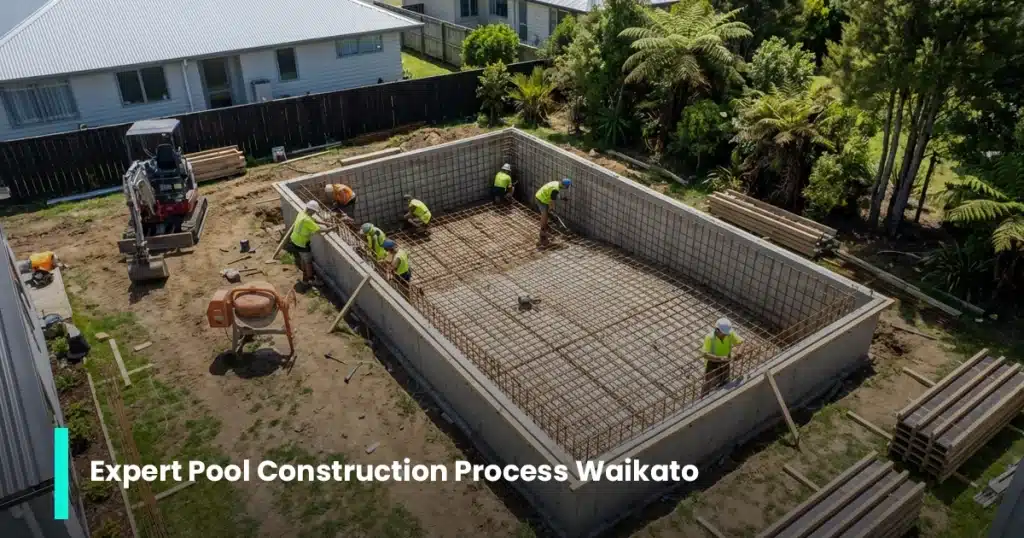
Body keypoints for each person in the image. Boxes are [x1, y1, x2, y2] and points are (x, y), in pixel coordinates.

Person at [285, 200, 333, 286]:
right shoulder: (307, 220)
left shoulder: (302, 213)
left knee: (304, 259)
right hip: (301, 243)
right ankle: (311, 280)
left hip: (294, 240)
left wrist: (325, 223)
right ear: (311, 210)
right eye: (314, 211)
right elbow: (319, 230)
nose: (314, 213)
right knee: (308, 261)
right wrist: (330, 229)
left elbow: (313, 220)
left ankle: (305, 276)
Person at [701, 318, 744, 396]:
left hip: (725, 360)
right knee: (708, 382)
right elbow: (704, 354)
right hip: (712, 363)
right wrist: (719, 358)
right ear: (717, 330)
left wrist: (739, 352)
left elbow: (742, 342)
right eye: (724, 333)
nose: (726, 335)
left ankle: (721, 392)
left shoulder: (729, 333)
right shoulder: (709, 338)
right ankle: (702, 398)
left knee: (724, 379)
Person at [534, 178, 572, 245]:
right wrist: (551, 208)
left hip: (543, 197)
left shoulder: (557, 184)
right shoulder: (555, 189)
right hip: (541, 199)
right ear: (565, 186)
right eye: (567, 187)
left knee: (547, 213)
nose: (567, 188)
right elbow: (552, 200)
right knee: (545, 215)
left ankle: (546, 226)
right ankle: (542, 232)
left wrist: (562, 198)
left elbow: (554, 195)